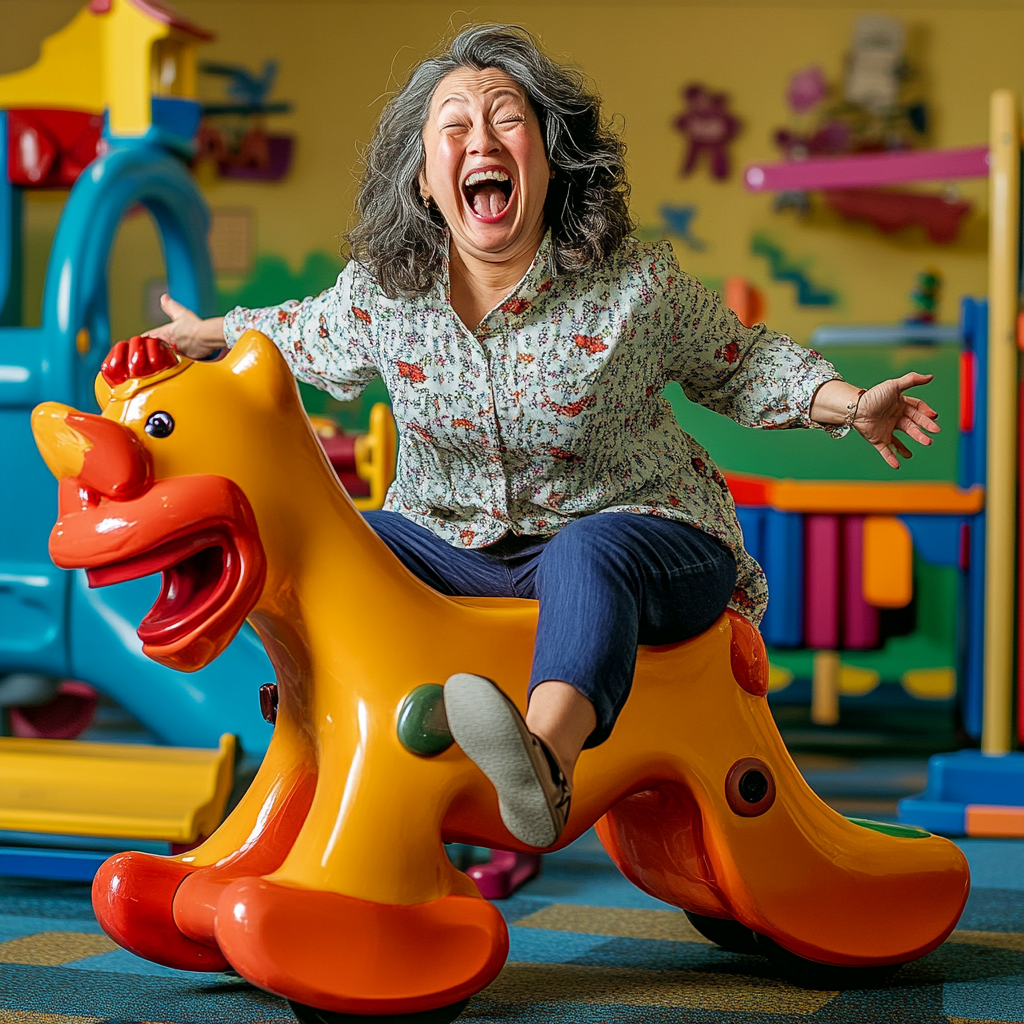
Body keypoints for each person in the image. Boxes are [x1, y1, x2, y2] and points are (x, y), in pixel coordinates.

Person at [149, 24, 940, 850]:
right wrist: (202, 335)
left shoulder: (635, 283)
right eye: (453, 125)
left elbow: (743, 362)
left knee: (585, 549)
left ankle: (545, 764)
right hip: (463, 555)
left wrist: (852, 406)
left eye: (506, 119)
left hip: (647, 544)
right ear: (424, 179)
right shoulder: (380, 298)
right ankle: (316, 723)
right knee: (342, 536)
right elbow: (289, 332)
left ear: (551, 160)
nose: (480, 139)